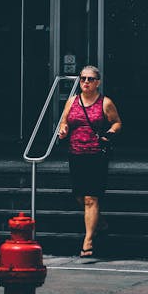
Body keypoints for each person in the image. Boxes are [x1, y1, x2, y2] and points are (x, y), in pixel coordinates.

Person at [57, 65, 122, 259]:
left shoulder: (105, 103)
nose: (85, 82)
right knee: (79, 197)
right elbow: (64, 121)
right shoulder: (72, 101)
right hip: (76, 154)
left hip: (96, 155)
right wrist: (63, 129)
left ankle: (88, 242)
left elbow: (117, 122)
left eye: (90, 79)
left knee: (91, 198)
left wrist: (111, 132)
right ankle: (100, 223)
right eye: (83, 78)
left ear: (98, 83)